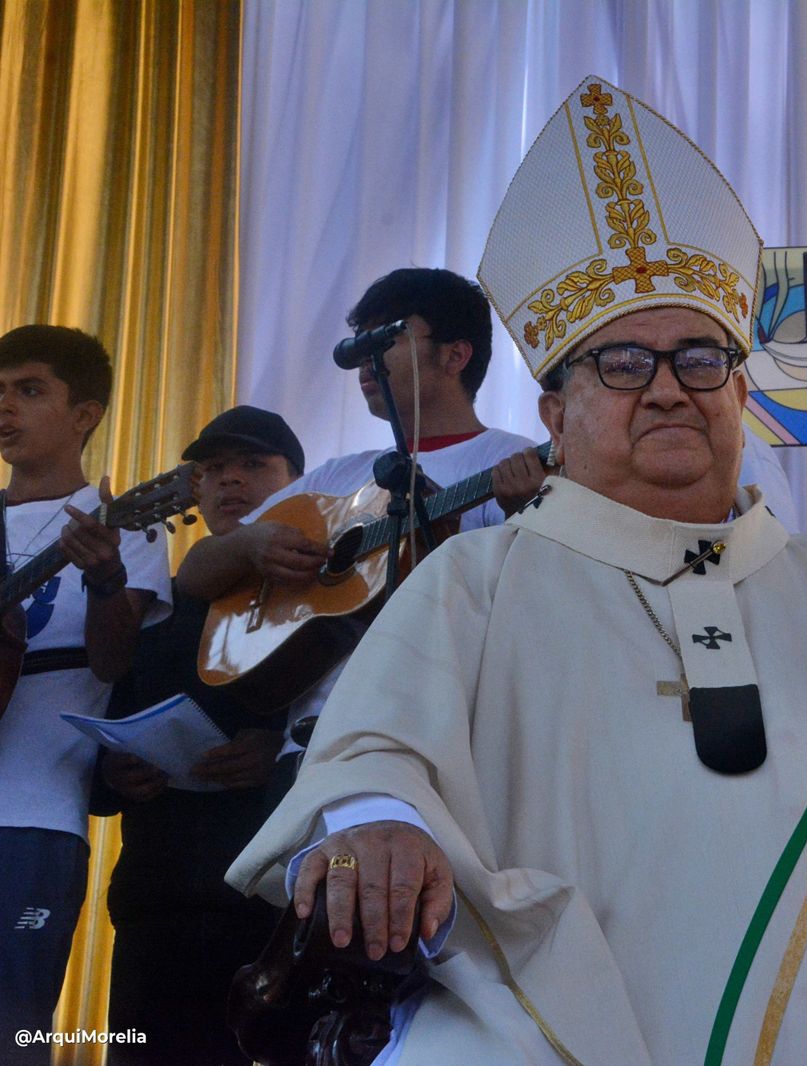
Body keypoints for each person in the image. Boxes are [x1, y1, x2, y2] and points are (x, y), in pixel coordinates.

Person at [230, 78, 807, 1065]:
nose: (670, 387)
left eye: (701, 358)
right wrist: (380, 825)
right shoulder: (477, 584)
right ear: (553, 415)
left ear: (737, 388)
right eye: (623, 363)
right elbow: (373, 753)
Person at [176, 268, 549, 747]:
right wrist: (251, 543)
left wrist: (527, 515)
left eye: (389, 335)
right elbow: (193, 574)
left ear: (455, 354)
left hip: (441, 738)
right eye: (361, 339)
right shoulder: (338, 477)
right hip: (310, 747)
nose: (366, 359)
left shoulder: (511, 464)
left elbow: (537, 610)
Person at [90, 407, 305, 1064]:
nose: (229, 481)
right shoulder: (155, 606)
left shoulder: (334, 593)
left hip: (275, 916)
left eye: (252, 465)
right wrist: (116, 773)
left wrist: (276, 752)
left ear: (300, 479)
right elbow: (108, 729)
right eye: (212, 470)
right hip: (158, 906)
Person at [0, 326, 171, 1061]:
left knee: (13, 1031)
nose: (4, 407)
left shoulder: (127, 528)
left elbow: (109, 663)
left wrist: (103, 581)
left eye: (29, 390)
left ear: (86, 414)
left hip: (36, 815)